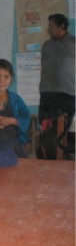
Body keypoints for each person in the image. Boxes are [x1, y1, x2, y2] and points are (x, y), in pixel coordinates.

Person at [38, 13, 75, 159]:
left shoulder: (74, 43)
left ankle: (66, 161)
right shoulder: (46, 46)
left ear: (62, 27)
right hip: (47, 94)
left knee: (65, 132)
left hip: (67, 94)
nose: (49, 30)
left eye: (52, 27)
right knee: (47, 131)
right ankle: (45, 159)